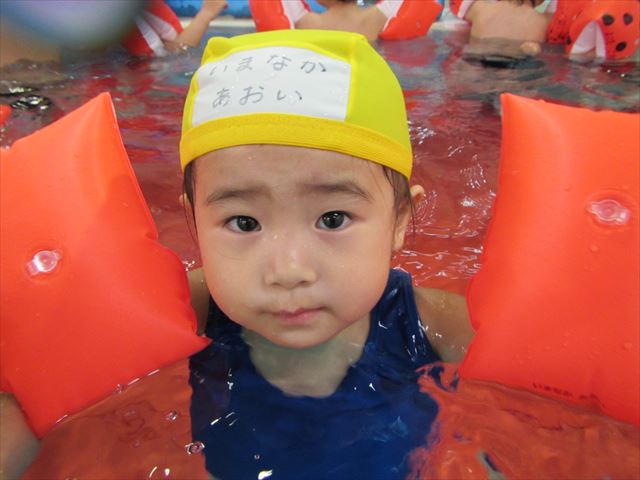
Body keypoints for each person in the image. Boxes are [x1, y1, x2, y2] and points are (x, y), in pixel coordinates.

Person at [180, 29, 474, 478]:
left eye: (333, 219)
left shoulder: (435, 325)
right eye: (244, 222)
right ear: (195, 222)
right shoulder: (186, 310)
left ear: (398, 220)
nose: (289, 270)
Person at [454, 0, 552, 57]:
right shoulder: (543, 21)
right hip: (520, 66)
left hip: (477, 61)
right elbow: (559, 14)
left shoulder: (480, 9)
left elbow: (462, 7)